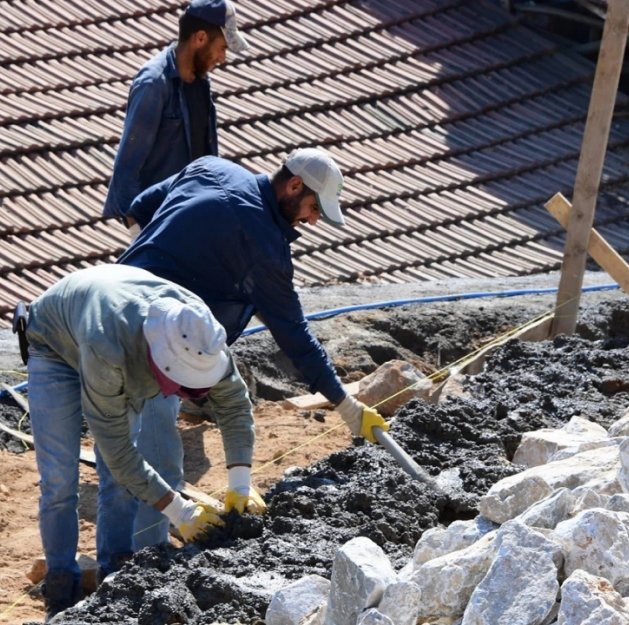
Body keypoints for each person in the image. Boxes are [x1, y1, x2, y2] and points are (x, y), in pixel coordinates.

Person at [116, 148, 389, 522]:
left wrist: (149, 260)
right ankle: (146, 557)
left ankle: (118, 548)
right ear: (294, 185)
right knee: (159, 460)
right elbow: (295, 338)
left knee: (119, 442)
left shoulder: (212, 168)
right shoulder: (263, 249)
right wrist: (345, 405)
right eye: (313, 209)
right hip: (163, 348)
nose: (312, 222)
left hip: (113, 307)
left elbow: (138, 207)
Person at [20, 264, 266, 621]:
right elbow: (118, 450)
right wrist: (179, 511)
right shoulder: (110, 348)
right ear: (161, 364)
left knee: (121, 485)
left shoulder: (199, 331)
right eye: (184, 386)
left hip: (112, 332)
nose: (189, 395)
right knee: (59, 480)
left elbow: (234, 403)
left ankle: (116, 579)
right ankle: (61, 587)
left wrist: (241, 482)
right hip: (54, 347)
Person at [102, 0, 248, 235]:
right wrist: (138, 234)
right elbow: (127, 169)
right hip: (157, 226)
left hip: (191, 221)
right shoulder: (153, 84)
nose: (223, 58)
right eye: (222, 47)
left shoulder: (201, 82)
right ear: (200, 38)